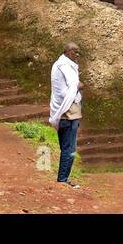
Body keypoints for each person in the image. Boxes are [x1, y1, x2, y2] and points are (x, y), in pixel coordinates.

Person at [48, 43, 83, 187]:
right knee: (69, 148)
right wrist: (79, 86)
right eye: (75, 52)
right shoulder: (64, 66)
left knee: (66, 147)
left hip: (63, 110)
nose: (77, 55)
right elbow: (72, 87)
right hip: (68, 112)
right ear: (68, 52)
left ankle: (63, 178)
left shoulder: (61, 64)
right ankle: (63, 179)